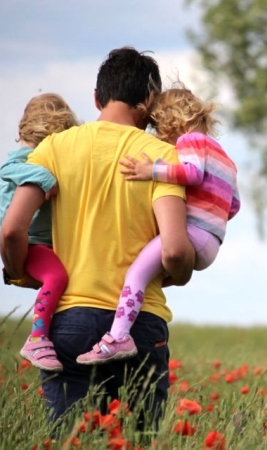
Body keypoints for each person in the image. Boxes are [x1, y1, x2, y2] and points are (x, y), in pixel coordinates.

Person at [0, 47, 195, 429]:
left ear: (96, 97)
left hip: (69, 321)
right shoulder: (162, 158)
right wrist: (182, 270)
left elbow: (11, 229)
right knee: (137, 439)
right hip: (140, 325)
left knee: (72, 438)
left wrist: (19, 270)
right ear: (150, 100)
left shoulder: (54, 148)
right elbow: (173, 250)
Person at [77, 85, 240, 365]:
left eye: (158, 127)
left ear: (172, 121)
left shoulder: (190, 141)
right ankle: (127, 322)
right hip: (212, 242)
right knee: (150, 275)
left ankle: (117, 337)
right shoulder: (226, 158)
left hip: (192, 233)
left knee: (136, 275)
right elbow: (233, 205)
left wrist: (150, 170)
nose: (160, 136)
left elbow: (191, 173)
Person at [0, 93, 78, 372]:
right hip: (31, 243)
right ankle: (37, 337)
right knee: (57, 276)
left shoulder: (37, 155)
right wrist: (46, 178)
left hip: (44, 243)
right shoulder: (23, 159)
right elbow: (10, 169)